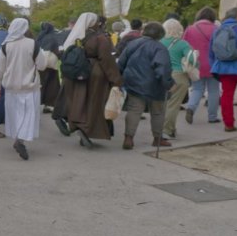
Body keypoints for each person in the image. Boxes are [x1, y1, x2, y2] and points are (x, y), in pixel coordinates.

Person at [55, 12, 123, 148]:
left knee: (79, 102)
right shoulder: (100, 38)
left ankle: (78, 125)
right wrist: (116, 79)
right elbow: (106, 59)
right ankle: (86, 129)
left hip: (77, 71)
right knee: (94, 103)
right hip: (95, 73)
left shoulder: (76, 36)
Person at [0, 18, 49, 160]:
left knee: (15, 115)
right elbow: (42, 65)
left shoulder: (5, 46)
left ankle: (17, 139)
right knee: (29, 115)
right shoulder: (32, 44)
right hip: (29, 87)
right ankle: (20, 141)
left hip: (11, 87)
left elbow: (0, 70)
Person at [117, 21, 175, 149]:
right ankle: (157, 138)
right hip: (155, 85)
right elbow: (163, 68)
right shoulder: (159, 48)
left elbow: (121, 63)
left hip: (133, 82)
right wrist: (168, 83)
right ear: (160, 35)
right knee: (158, 112)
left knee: (134, 110)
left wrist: (119, 78)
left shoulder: (133, 44)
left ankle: (128, 138)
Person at [183, 6, 220, 125]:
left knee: (197, 89)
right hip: (213, 65)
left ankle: (191, 108)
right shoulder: (217, 29)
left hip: (196, 64)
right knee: (213, 91)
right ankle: (212, 117)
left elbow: (184, 46)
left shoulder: (190, 29)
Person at [159, 19, 193, 139]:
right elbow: (192, 59)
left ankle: (168, 128)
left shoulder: (160, 42)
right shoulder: (182, 43)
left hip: (162, 75)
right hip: (178, 76)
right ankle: (167, 130)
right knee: (173, 105)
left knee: (163, 104)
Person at [35, 20, 62, 111]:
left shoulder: (39, 37)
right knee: (52, 86)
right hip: (50, 66)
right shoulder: (52, 37)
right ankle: (49, 105)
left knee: (42, 85)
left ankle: (40, 103)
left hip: (40, 65)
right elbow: (54, 50)